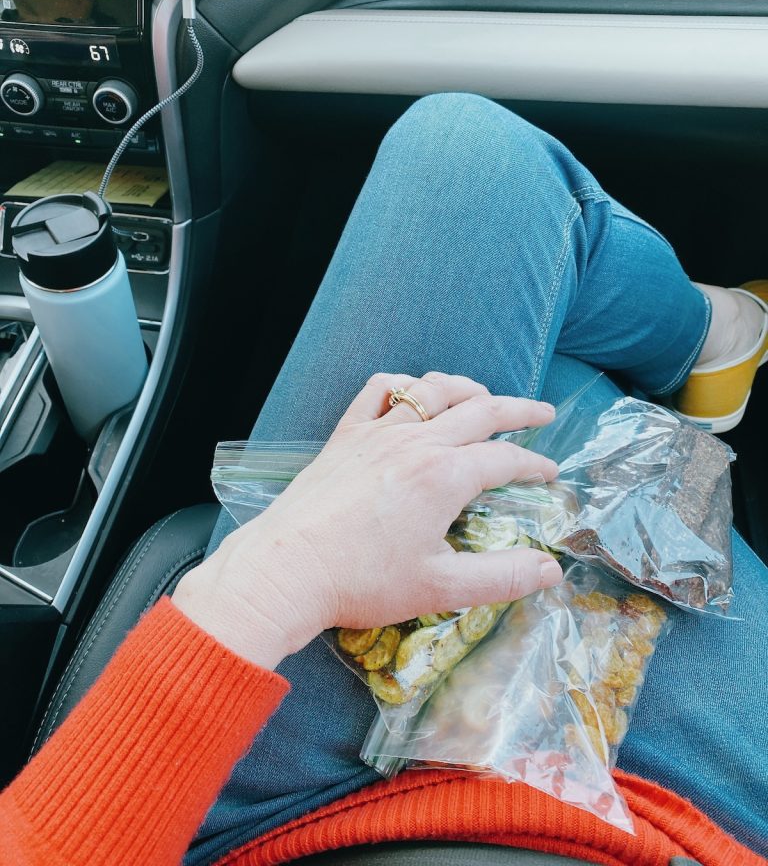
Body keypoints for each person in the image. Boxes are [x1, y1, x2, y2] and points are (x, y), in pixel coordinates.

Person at [1, 94, 767, 866]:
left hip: (212, 811)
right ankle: (715, 334)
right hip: (665, 828)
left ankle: (695, 344)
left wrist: (281, 577)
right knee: (473, 165)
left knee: (511, 362)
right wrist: (273, 581)